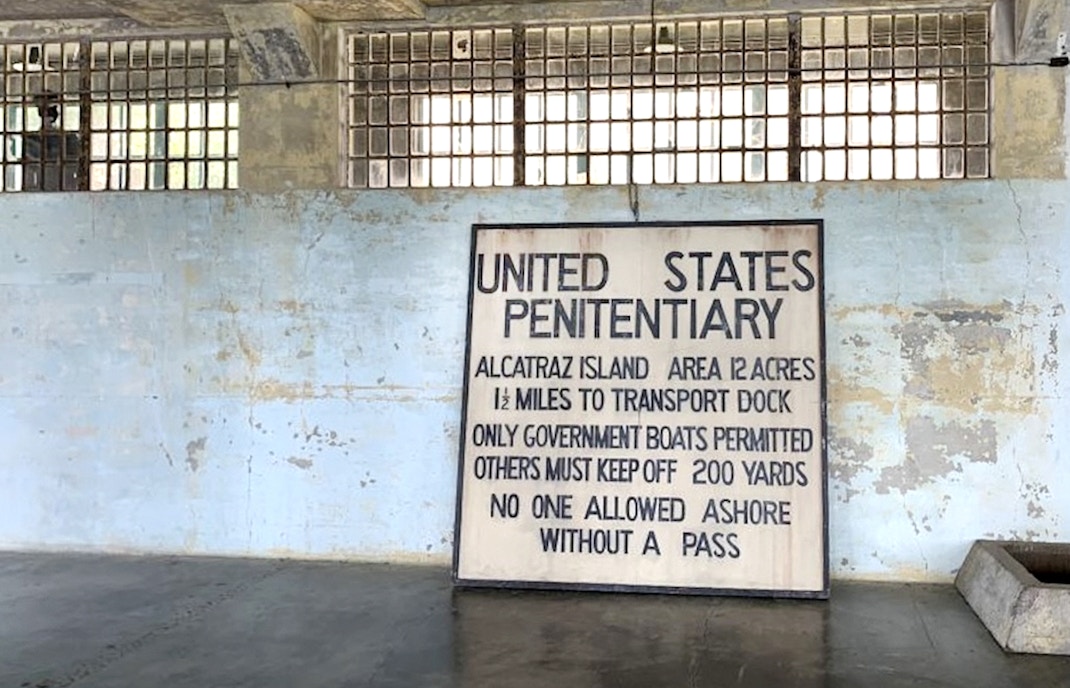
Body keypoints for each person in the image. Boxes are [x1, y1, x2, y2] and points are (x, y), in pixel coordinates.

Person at [21, 93, 80, 191]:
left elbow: (75, 166)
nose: (46, 114)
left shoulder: (70, 138)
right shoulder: (31, 139)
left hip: (59, 188)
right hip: (62, 189)